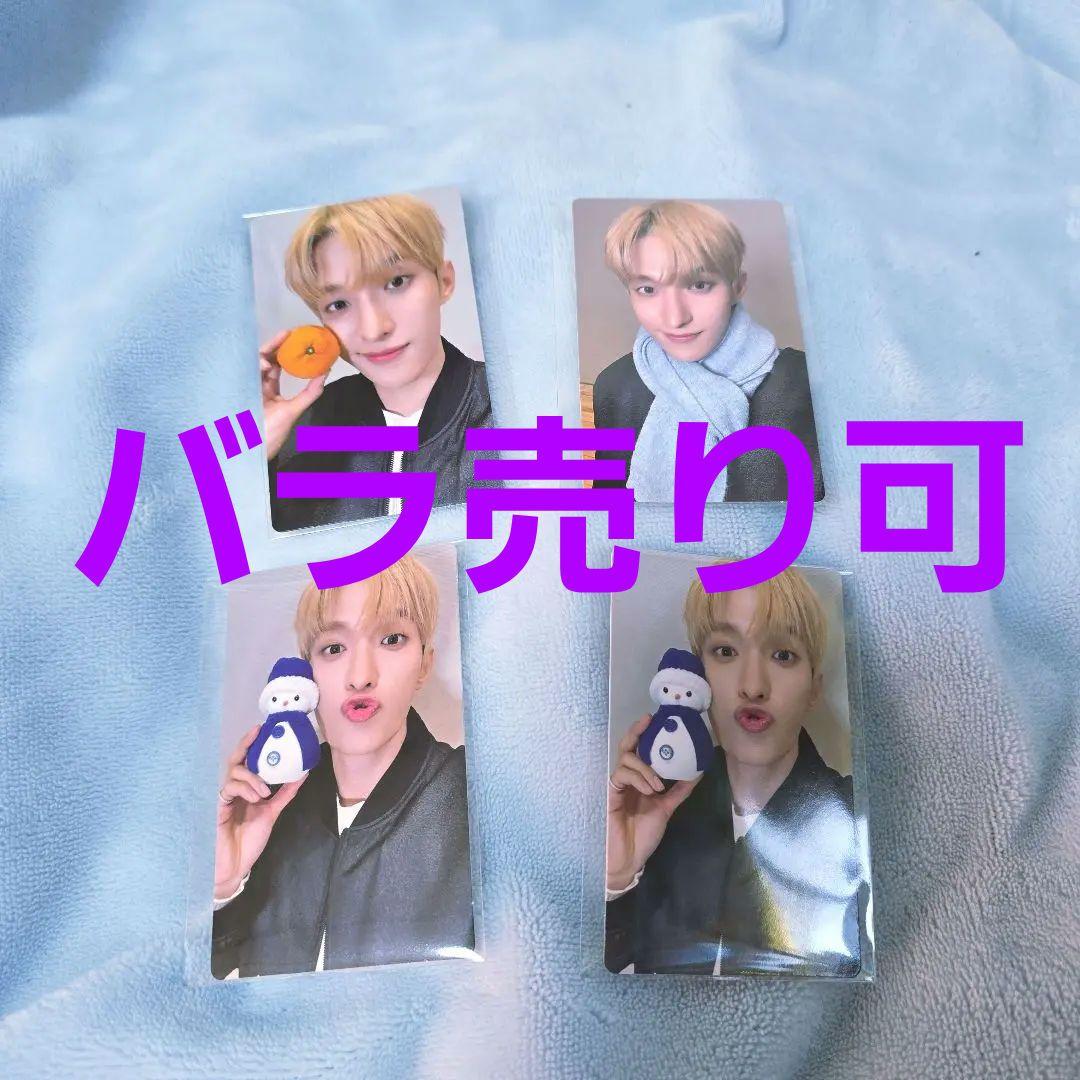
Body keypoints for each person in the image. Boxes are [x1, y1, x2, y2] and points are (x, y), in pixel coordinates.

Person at [211, 556, 473, 978]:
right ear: (305, 676)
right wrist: (224, 883)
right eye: (334, 648)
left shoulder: (475, 797)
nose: (360, 676)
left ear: (424, 664)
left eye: (391, 639)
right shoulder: (266, 813)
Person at [604, 565, 863, 976]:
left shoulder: (856, 822)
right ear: (698, 677)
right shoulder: (660, 810)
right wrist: (618, 875)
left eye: (783, 655)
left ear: (814, 688)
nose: (753, 686)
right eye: (725, 651)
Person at [261, 193, 497, 531]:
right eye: (339, 304)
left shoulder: (515, 411)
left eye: (396, 282)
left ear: (444, 282)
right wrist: (252, 458)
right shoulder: (300, 431)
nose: (373, 329)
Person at [589, 200, 824, 503]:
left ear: (737, 287)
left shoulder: (810, 388)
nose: (675, 318)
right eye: (647, 289)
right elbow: (608, 510)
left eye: (699, 285)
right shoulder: (615, 386)